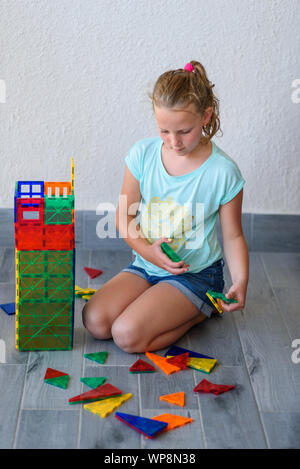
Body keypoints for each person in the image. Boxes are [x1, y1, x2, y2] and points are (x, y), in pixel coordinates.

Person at [82, 61, 249, 353]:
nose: (174, 142)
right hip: (147, 265)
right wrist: (148, 253)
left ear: (205, 117)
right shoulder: (142, 155)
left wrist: (241, 280)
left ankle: (201, 308)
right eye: (164, 131)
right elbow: (125, 214)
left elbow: (233, 235)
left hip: (195, 274)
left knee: (126, 335)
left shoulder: (223, 172)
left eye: (184, 131)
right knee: (95, 322)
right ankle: (166, 301)